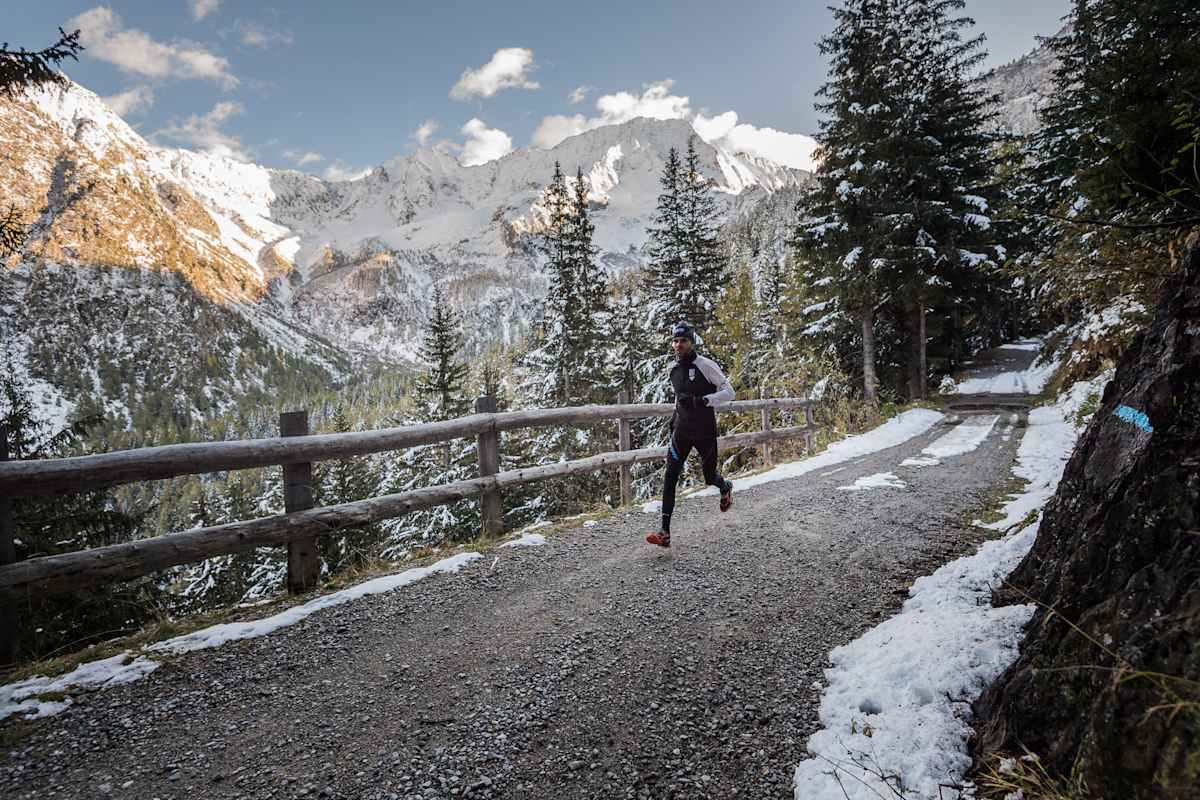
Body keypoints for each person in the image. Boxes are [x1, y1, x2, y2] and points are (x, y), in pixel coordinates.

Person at [646, 322, 735, 548]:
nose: (678, 345)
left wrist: (706, 400)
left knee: (708, 477)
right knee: (670, 477)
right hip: (682, 431)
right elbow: (680, 398)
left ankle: (724, 488)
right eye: (675, 341)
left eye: (683, 340)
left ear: (691, 341)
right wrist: (674, 418)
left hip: (704, 431)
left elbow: (729, 392)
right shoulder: (673, 370)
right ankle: (664, 532)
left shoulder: (706, 365)